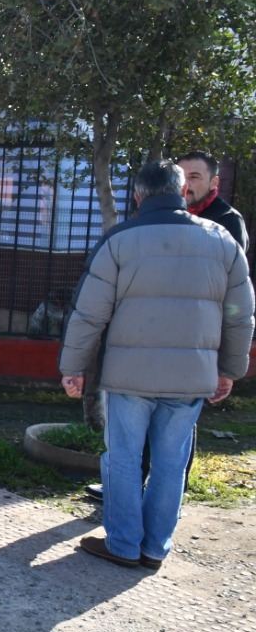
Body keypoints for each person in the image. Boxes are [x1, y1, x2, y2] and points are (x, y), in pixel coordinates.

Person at [60, 159, 253, 569]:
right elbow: (240, 314)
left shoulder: (120, 239)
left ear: (137, 195)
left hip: (128, 378)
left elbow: (88, 313)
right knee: (171, 463)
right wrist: (230, 370)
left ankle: (124, 544)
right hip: (190, 380)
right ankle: (154, 549)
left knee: (124, 459)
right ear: (182, 192)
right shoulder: (221, 240)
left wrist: (73, 366)